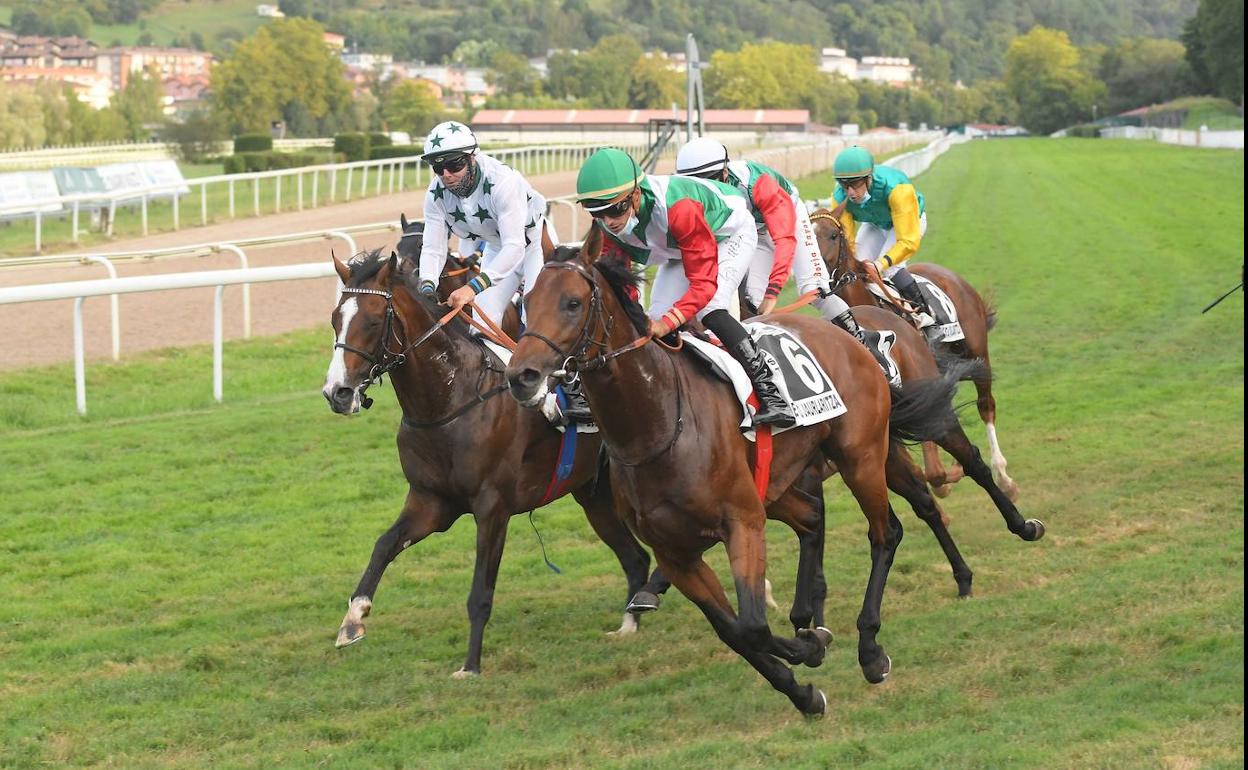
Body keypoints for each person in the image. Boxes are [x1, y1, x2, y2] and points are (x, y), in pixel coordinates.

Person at [575, 147, 795, 428]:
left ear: (636, 193)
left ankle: (771, 392)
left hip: (728, 233)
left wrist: (668, 322)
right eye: (598, 212)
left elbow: (703, 286)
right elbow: (622, 288)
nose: (609, 221)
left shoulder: (680, 208)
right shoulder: (607, 227)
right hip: (679, 247)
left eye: (615, 209)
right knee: (653, 319)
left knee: (711, 308)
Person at [675, 137, 898, 381]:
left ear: (725, 171)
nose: (706, 191)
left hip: (788, 218)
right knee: (751, 300)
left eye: (711, 181)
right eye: (696, 184)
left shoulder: (759, 184)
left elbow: (784, 239)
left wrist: (774, 291)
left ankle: (870, 352)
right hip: (752, 229)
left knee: (815, 289)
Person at [416, 120, 590, 423]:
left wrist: (471, 287)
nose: (446, 174)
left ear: (472, 157)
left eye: (453, 164)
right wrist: (427, 287)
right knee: (481, 326)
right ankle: (492, 395)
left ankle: (576, 390)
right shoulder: (435, 194)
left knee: (535, 318)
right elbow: (432, 248)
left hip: (533, 244)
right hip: (498, 248)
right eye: (437, 167)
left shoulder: (502, 182)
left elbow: (515, 247)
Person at [831, 145, 934, 323]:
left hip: (907, 223)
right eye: (844, 184)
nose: (850, 192)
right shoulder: (840, 196)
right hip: (875, 224)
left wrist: (879, 265)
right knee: (855, 269)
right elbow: (847, 240)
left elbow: (907, 241)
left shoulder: (897, 190)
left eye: (855, 184)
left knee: (891, 268)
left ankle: (924, 314)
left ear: (868, 178)